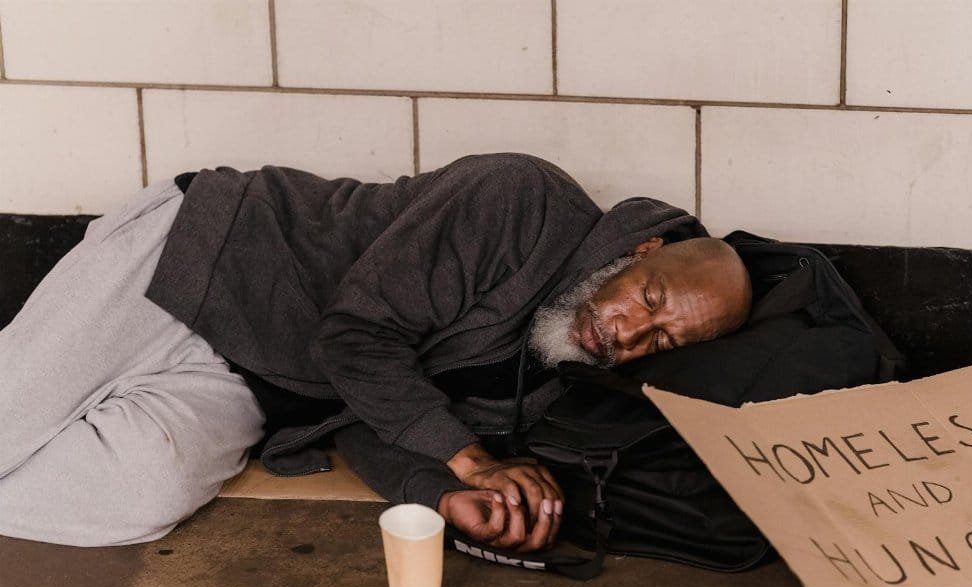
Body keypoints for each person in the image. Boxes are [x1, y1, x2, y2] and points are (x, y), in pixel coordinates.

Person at [0, 153, 752, 551]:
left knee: (141, 495)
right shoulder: (521, 198)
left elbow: (371, 418)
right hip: (201, 262)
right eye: (648, 301)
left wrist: (443, 494)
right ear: (643, 249)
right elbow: (354, 337)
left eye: (661, 339)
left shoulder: (558, 374)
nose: (629, 333)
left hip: (261, 384)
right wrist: (471, 458)